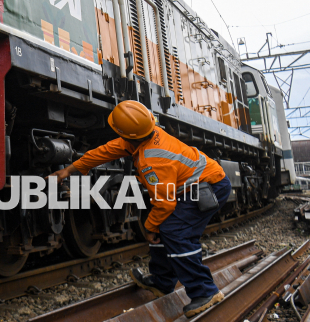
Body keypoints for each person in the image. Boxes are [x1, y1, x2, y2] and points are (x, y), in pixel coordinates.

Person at [50, 100, 232, 318]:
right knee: (167, 228)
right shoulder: (141, 137)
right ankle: (162, 282)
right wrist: (68, 171)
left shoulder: (152, 159)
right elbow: (104, 152)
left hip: (209, 186)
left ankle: (205, 292)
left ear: (126, 133)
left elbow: (165, 203)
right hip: (192, 186)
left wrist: (149, 227)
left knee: (175, 232)